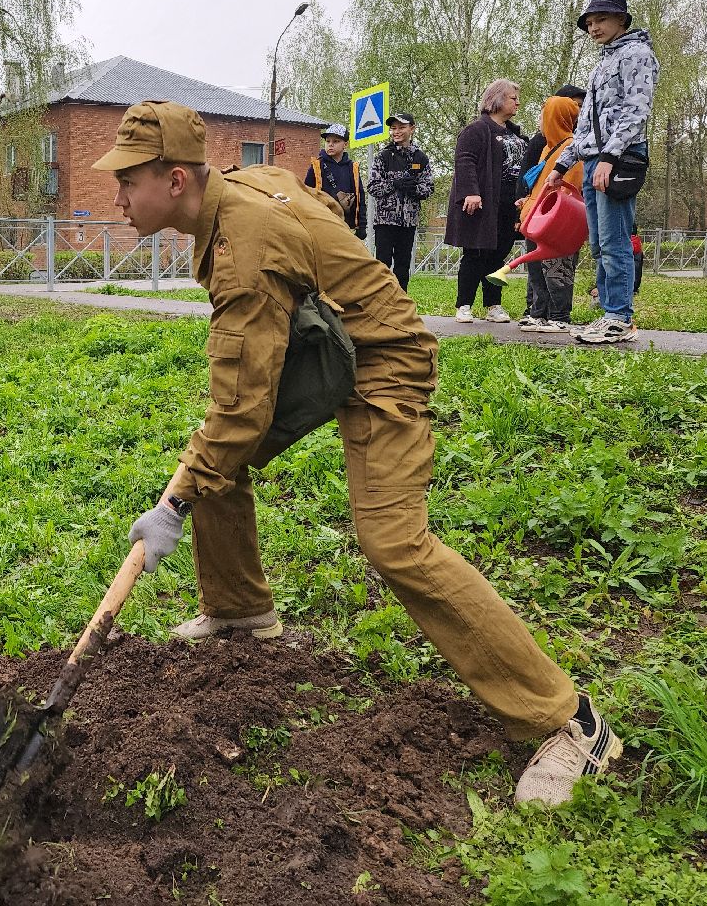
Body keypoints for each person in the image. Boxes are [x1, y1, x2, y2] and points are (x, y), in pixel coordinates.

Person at [99, 100, 620, 806]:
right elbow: (312, 219)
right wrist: (195, 479)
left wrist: (172, 503)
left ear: (177, 181)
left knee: (393, 541)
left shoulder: (242, 244)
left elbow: (241, 406)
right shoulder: (234, 192)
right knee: (216, 459)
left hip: (383, 361)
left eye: (129, 179)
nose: (118, 194)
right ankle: (241, 614)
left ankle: (572, 723)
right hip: (321, 344)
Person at [541, 0, 658, 344]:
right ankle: (610, 312)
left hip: (618, 158)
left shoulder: (637, 54)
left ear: (622, 20)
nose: (593, 27)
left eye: (601, 20)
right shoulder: (602, 63)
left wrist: (610, 157)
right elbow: (585, 127)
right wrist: (562, 165)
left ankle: (619, 317)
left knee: (615, 239)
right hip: (593, 160)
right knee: (599, 244)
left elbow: (636, 111)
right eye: (589, 23)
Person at [446, 80, 524, 323]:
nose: (517, 102)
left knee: (498, 257)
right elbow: (465, 160)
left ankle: (493, 305)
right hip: (482, 204)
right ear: (497, 99)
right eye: (513, 98)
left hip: (508, 205)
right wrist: (471, 191)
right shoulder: (477, 130)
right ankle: (464, 305)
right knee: (476, 254)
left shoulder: (516, 134)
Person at [516, 86, 586, 327]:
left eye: (547, 115)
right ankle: (539, 313)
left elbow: (570, 188)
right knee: (536, 270)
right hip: (535, 217)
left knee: (557, 269)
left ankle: (559, 316)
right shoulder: (546, 147)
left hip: (554, 221)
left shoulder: (571, 148)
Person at [367, 112, 433, 290]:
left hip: (408, 222)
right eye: (393, 128)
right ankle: (380, 299)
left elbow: (428, 188)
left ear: (412, 128)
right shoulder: (383, 156)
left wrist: (414, 189)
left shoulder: (420, 158)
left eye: (401, 127)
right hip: (385, 222)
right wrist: (393, 184)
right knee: (382, 265)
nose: (396, 132)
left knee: (403, 267)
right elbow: (373, 186)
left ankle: (401, 302)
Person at [305, 123, 365, 238]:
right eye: (328, 141)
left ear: (345, 145)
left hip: (346, 225)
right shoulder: (317, 165)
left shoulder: (352, 167)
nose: (330, 145)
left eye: (336, 141)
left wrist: (361, 225)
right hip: (323, 222)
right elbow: (306, 194)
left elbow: (359, 198)